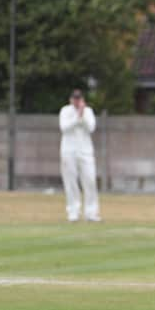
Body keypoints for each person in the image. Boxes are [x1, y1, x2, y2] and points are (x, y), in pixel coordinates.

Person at [59, 89, 101, 222]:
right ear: (71, 99)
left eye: (79, 98)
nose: (77, 101)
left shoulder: (88, 111)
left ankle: (91, 213)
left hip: (86, 151)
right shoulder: (65, 111)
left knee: (90, 180)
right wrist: (78, 117)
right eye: (74, 98)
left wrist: (82, 114)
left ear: (82, 99)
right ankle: (73, 212)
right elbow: (64, 127)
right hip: (68, 151)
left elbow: (91, 128)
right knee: (70, 182)